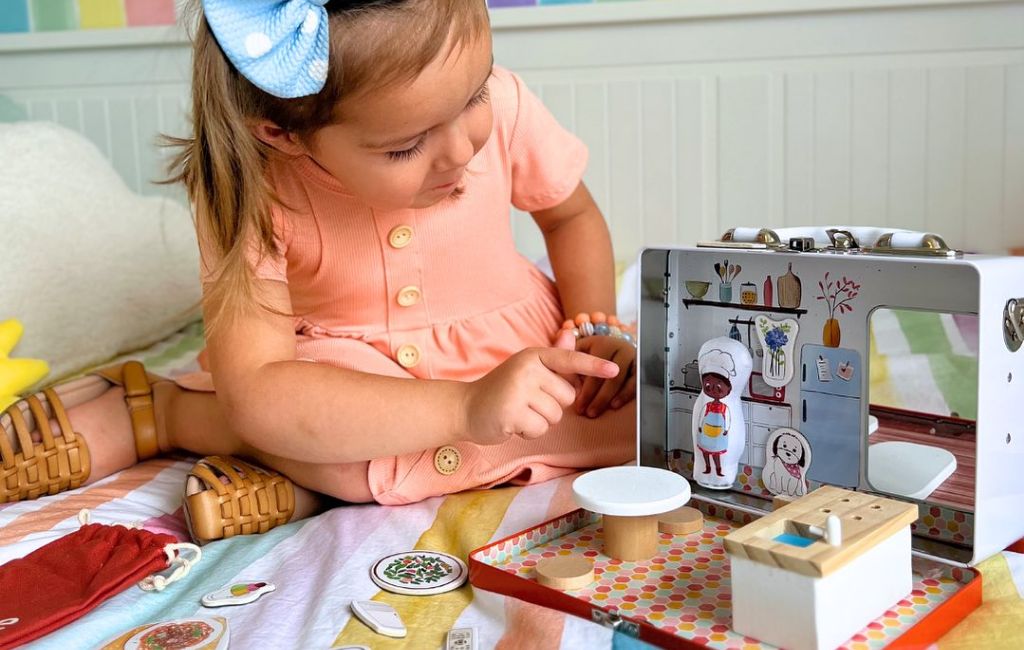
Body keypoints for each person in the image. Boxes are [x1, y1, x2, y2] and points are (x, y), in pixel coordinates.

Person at [0, 0, 636, 543]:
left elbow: (571, 218)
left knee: (649, 420)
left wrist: (593, 327)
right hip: (346, 377)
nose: (464, 148)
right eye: (404, 146)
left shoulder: (507, 108)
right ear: (284, 134)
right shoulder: (249, 185)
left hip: (512, 351)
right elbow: (259, 385)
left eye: (475, 97)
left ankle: (299, 478)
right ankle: (164, 413)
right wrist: (467, 404)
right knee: (327, 438)